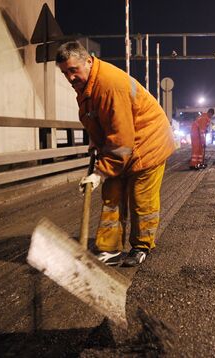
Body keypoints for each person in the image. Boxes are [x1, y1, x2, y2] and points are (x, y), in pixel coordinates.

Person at [55, 41, 175, 267]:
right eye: (65, 73)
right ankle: (110, 248)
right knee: (112, 195)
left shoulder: (109, 85)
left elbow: (121, 140)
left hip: (147, 144)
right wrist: (95, 140)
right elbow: (98, 118)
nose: (70, 77)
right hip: (124, 144)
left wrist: (100, 174)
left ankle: (141, 245)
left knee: (141, 200)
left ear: (88, 62)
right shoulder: (86, 85)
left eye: (73, 70)